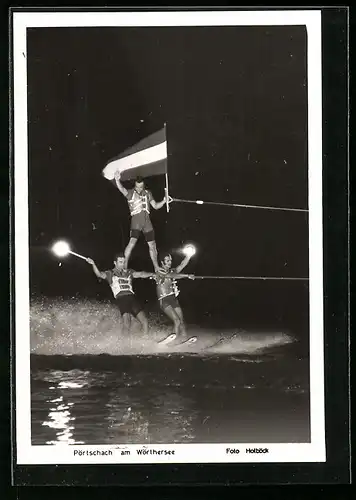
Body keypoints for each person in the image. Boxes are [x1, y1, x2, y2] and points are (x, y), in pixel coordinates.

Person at [114, 170, 172, 272]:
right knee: (132, 242)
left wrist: (164, 200)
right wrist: (117, 180)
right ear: (135, 185)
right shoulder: (131, 193)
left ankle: (156, 267)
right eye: (137, 187)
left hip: (147, 222)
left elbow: (155, 206)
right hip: (136, 220)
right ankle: (124, 267)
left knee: (153, 245)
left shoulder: (148, 193)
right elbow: (122, 189)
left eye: (141, 187)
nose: (139, 189)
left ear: (143, 186)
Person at [86, 253, 153, 336]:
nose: (123, 264)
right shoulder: (110, 273)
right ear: (115, 263)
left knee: (145, 321)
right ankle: (124, 345)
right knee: (127, 323)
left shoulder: (129, 272)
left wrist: (153, 274)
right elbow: (99, 274)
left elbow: (141, 274)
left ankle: (145, 340)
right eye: (120, 262)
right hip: (122, 299)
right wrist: (93, 264)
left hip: (132, 298)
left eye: (124, 262)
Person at [153, 251, 195, 342]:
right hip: (164, 300)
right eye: (167, 261)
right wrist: (187, 275)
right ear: (162, 262)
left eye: (170, 260)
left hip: (173, 299)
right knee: (177, 321)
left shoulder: (172, 270)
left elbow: (182, 265)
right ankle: (172, 341)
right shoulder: (159, 272)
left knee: (182, 321)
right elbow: (171, 276)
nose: (170, 262)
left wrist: (188, 256)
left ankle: (184, 340)